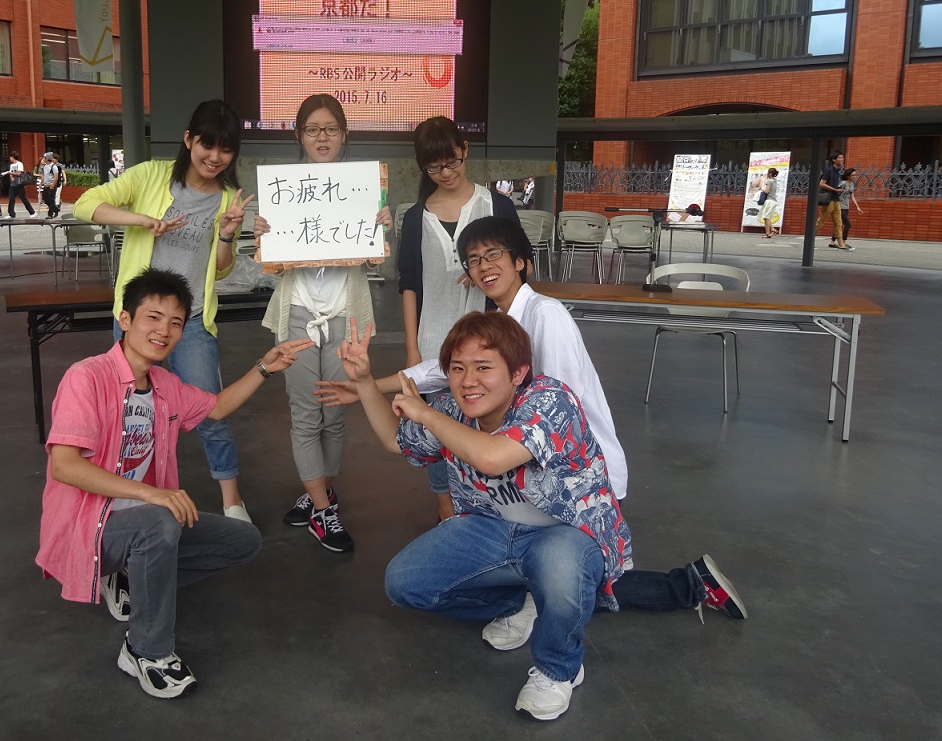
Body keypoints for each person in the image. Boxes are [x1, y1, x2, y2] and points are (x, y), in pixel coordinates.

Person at [320, 214, 747, 619]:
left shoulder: (546, 314)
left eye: (493, 255)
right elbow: (441, 369)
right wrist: (367, 385)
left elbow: (558, 405)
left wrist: (447, 421)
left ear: (521, 261)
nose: (483, 266)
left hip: (571, 475)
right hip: (522, 473)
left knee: (568, 580)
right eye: (473, 260)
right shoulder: (498, 320)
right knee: (557, 577)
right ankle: (690, 584)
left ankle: (681, 587)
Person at [338, 311, 632, 721]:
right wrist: (365, 381)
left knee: (559, 567)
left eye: (483, 367)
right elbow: (394, 439)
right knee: (405, 582)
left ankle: (558, 668)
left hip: (567, 533)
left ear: (518, 372)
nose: (467, 380)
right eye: (457, 368)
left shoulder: (550, 400)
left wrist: (427, 414)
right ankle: (521, 600)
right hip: (491, 529)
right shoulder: (452, 410)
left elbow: (492, 457)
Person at [36, 267, 312, 700]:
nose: (164, 331)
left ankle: (134, 577)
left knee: (242, 540)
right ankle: (145, 650)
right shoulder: (86, 377)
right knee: (160, 521)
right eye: (153, 317)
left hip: (141, 521)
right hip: (87, 526)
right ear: (125, 319)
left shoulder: (164, 384)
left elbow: (216, 408)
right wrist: (150, 493)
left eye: (176, 322)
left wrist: (265, 367)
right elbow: (65, 467)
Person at [73, 99, 257, 521]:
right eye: (207, 144)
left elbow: (221, 270)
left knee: (211, 410)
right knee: (127, 410)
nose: (215, 157)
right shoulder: (151, 175)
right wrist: (141, 220)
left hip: (190, 322)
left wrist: (227, 234)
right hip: (138, 320)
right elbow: (85, 204)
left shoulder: (228, 198)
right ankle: (127, 495)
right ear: (189, 140)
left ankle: (232, 501)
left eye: (226, 149)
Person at [252, 93, 392, 552]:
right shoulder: (283, 190)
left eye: (331, 129)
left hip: (346, 317)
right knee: (305, 414)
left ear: (344, 134)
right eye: (312, 129)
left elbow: (374, 260)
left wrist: (380, 228)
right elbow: (271, 267)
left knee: (335, 413)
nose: (322, 137)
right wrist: (263, 238)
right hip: (297, 315)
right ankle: (323, 511)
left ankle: (319, 493)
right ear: (299, 136)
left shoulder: (362, 189)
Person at [398, 115, 521, 520]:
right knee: (436, 429)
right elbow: (409, 284)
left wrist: (486, 270)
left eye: (452, 161)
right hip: (434, 342)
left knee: (491, 425)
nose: (446, 172)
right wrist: (413, 349)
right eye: (434, 167)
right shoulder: (415, 217)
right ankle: (446, 510)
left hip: (490, 345)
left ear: (465, 150)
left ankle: (493, 508)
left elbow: (522, 266)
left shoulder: (496, 206)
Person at [815, 152, 851, 251]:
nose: (842, 159)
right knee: (821, 221)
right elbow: (821, 184)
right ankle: (809, 239)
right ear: (834, 160)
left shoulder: (838, 172)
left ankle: (841, 244)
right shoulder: (829, 170)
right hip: (829, 199)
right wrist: (835, 189)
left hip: (836, 199)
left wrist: (837, 190)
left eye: (842, 157)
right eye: (839, 158)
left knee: (838, 222)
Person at [5, 150, 36, 218]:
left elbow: (19, 173)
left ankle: (32, 212)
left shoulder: (19, 164)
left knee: (23, 198)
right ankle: (11, 214)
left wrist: (10, 173)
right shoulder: (12, 165)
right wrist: (11, 176)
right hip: (13, 184)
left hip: (19, 184)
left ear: (13, 157)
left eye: (10, 157)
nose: (10, 158)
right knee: (11, 199)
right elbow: (11, 173)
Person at [839, 167, 863, 247]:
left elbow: (852, 197)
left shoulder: (852, 184)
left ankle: (832, 242)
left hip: (846, 206)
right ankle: (843, 242)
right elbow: (836, 192)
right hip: (840, 206)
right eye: (853, 175)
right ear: (847, 176)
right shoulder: (843, 183)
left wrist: (857, 207)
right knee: (847, 224)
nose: (855, 176)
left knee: (840, 224)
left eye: (855, 175)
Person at [759, 167, 781, 238]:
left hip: (769, 201)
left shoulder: (769, 181)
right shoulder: (774, 181)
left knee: (766, 217)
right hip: (773, 201)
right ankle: (771, 230)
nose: (767, 174)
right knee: (766, 217)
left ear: (770, 174)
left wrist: (761, 188)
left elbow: (766, 191)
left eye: (768, 173)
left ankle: (769, 232)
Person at [41, 151, 63, 219]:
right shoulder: (45, 166)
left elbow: (56, 176)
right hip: (46, 185)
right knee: (45, 199)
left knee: (51, 200)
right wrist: (41, 182)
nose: (43, 159)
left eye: (45, 158)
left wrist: (53, 184)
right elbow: (44, 175)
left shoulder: (53, 167)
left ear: (47, 159)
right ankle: (56, 209)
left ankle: (50, 214)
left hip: (51, 186)